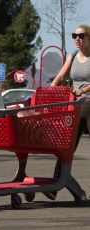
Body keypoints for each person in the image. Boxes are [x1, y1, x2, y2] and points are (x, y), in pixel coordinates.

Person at [44, 24, 90, 200]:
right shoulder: (73, 55)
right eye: (74, 35)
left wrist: (86, 90)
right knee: (66, 146)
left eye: (81, 35)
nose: (77, 38)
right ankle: (53, 187)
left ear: (89, 38)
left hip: (89, 104)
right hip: (75, 106)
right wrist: (50, 90)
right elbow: (60, 77)